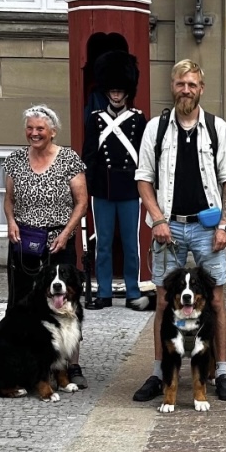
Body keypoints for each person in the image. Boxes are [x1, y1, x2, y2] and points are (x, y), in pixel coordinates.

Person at [132, 59, 226, 404]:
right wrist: (157, 220)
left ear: (201, 89)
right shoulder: (156, 128)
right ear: (172, 86)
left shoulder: (217, 128)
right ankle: (158, 372)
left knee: (216, 300)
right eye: (181, 84)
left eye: (192, 84)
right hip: (169, 228)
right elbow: (143, 178)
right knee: (165, 301)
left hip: (208, 229)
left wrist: (223, 225)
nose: (186, 90)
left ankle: (220, 371)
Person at [3, 104, 90, 388]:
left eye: (40, 128)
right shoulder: (15, 160)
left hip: (58, 242)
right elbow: (9, 199)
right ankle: (22, 361)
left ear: (52, 131)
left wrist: (66, 233)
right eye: (30, 128)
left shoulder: (69, 159)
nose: (34, 133)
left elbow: (81, 202)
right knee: (21, 303)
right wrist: (10, 222)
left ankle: (70, 364)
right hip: (23, 242)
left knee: (67, 303)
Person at [81, 50, 150, 311]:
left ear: (127, 92)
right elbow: (89, 155)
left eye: (120, 90)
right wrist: (87, 188)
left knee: (131, 244)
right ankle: (104, 292)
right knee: (104, 243)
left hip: (130, 189)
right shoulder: (95, 119)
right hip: (103, 189)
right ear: (107, 91)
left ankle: (133, 291)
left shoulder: (138, 119)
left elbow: (144, 155)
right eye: (113, 90)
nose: (117, 95)